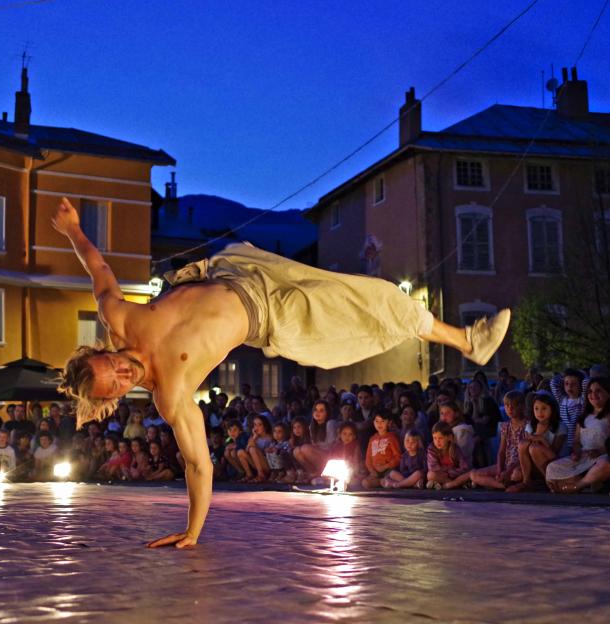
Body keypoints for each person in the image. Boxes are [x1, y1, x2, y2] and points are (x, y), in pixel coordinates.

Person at [52, 196, 510, 548]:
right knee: (377, 301)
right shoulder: (171, 394)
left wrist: (73, 229)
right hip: (274, 315)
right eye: (112, 382)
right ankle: (469, 340)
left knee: (371, 294)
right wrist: (193, 530)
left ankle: (468, 340)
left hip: (240, 269)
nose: (119, 371)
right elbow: (196, 463)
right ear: (111, 396)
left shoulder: (121, 318)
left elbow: (99, 269)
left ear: (101, 350)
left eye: (107, 363)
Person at [545, 377, 610, 494]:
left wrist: (600, 451)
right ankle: (590, 481)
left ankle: (578, 485)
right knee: (551, 468)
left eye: (598, 391)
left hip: (603, 456)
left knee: (605, 465)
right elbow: (576, 441)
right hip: (584, 457)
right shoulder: (584, 416)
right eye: (590, 391)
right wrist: (577, 452)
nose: (593, 394)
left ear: (609, 393)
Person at [508, 393, 567, 493]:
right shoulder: (531, 426)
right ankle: (527, 481)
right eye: (536, 408)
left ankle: (550, 482)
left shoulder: (560, 426)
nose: (540, 412)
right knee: (523, 446)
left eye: (544, 408)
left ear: (552, 409)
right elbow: (524, 450)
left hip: (554, 463)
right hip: (533, 465)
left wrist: (542, 439)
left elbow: (554, 453)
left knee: (534, 448)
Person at [470, 391, 528, 491]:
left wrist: (508, 472)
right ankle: (504, 485)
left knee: (516, 475)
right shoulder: (505, 426)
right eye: (507, 405)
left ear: (522, 406)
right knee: (474, 475)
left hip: (521, 465)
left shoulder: (527, 425)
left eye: (514, 406)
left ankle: (500, 483)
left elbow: (525, 453)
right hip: (507, 464)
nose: (510, 409)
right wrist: (500, 471)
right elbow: (501, 452)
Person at [361, 410, 401, 489]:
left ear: (389, 423)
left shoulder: (391, 438)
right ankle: (382, 482)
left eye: (382, 421)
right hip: (375, 472)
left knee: (394, 475)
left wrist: (386, 466)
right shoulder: (372, 439)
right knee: (365, 483)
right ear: (373, 423)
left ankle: (386, 481)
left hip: (389, 470)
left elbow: (398, 457)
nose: (379, 424)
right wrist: (372, 471)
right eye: (377, 421)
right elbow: (368, 458)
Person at [426, 422, 471, 489]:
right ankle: (456, 484)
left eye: (440, 438)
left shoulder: (455, 448)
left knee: (471, 473)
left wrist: (450, 472)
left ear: (449, 437)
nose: (437, 441)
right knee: (430, 475)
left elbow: (464, 467)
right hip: (442, 476)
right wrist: (449, 471)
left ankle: (450, 484)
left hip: (454, 475)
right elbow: (434, 468)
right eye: (434, 438)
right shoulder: (431, 449)